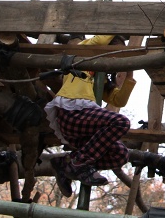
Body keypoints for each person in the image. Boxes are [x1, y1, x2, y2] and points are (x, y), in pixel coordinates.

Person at [45, 35, 135, 197]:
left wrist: (129, 73)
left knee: (121, 155)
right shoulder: (81, 58)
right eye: (114, 53)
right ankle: (79, 163)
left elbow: (118, 100)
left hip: (84, 127)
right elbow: (99, 41)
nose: (115, 60)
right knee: (120, 122)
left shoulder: (99, 77)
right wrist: (117, 29)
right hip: (71, 112)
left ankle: (65, 162)